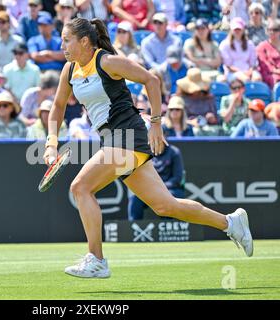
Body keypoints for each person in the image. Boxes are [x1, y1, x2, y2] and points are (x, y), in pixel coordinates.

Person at [44, 17, 253, 278]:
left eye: (67, 39)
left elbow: (151, 80)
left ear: (84, 41)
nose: (62, 44)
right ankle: (230, 222)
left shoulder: (107, 61)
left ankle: (97, 260)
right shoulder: (69, 69)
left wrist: (156, 123)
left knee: (80, 187)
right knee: (166, 206)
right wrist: (51, 143)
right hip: (112, 140)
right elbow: (57, 108)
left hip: (128, 135)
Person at [128, 143, 185, 220]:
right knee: (135, 198)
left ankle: (167, 227)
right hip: (149, 189)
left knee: (168, 198)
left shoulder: (174, 152)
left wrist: (159, 188)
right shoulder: (145, 152)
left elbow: (177, 178)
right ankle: (133, 225)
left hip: (169, 189)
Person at [219, 17, 261, 82]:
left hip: (248, 71)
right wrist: (243, 72)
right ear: (231, 30)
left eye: (239, 29)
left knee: (257, 78)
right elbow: (228, 66)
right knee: (245, 79)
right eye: (235, 29)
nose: (237, 31)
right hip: (232, 73)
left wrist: (250, 71)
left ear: (243, 30)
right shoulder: (224, 44)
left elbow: (253, 63)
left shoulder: (249, 44)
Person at [256, 19, 280, 89]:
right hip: (270, 75)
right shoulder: (261, 46)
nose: (272, 32)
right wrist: (277, 71)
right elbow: (264, 64)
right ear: (267, 31)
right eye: (270, 30)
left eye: (275, 30)